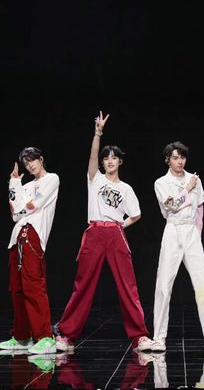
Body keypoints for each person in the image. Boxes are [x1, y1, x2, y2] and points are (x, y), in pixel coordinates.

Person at [54, 111, 152, 352]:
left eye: (114, 158)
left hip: (115, 234)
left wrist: (120, 226)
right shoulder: (95, 179)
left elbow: (136, 214)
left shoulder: (126, 188)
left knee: (128, 286)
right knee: (83, 284)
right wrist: (97, 134)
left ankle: (139, 337)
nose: (109, 161)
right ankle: (66, 335)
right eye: (106, 158)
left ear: (120, 162)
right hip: (95, 232)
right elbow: (92, 155)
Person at [150, 141, 204, 352]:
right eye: (175, 158)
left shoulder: (195, 179)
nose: (180, 161)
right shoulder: (161, 182)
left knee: (202, 284)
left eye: (182, 157)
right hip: (173, 230)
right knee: (164, 285)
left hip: (191, 232)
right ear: (167, 160)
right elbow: (171, 206)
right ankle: (159, 337)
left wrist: (197, 234)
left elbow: (200, 209)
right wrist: (187, 189)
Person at [0, 147, 60, 354]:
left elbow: (35, 205)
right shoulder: (25, 185)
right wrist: (14, 183)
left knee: (33, 286)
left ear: (41, 159)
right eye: (26, 163)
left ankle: (45, 337)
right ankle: (22, 337)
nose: (30, 165)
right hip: (16, 236)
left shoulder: (52, 179)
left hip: (33, 234)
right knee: (17, 289)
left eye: (32, 160)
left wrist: (22, 207)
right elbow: (15, 214)